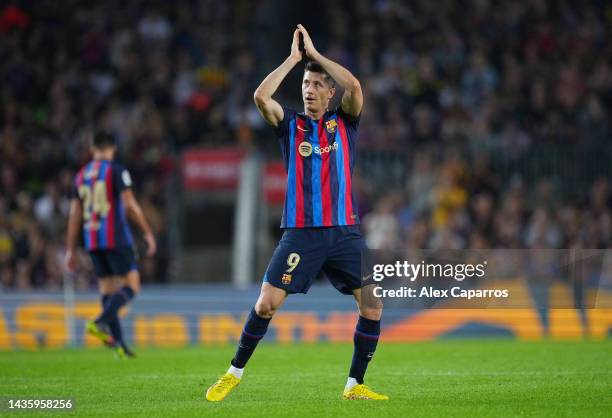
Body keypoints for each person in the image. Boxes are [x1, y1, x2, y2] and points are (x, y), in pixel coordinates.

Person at [206, 24, 387, 401]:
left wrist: (317, 56)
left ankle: (355, 384)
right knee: (266, 304)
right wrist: (294, 59)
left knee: (372, 304)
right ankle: (233, 373)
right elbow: (260, 96)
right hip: (302, 232)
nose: (309, 90)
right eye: (306, 84)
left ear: (329, 92)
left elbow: (354, 88)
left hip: (343, 232)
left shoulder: (345, 123)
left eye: (318, 84)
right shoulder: (291, 125)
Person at [64, 131, 156, 358]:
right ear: (112, 148)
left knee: (108, 290)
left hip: (92, 240)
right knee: (131, 286)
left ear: (92, 149)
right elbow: (130, 204)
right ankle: (100, 321)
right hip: (115, 237)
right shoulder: (116, 170)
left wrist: (70, 249)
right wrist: (147, 232)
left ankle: (119, 346)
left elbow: (74, 215)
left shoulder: (81, 175)